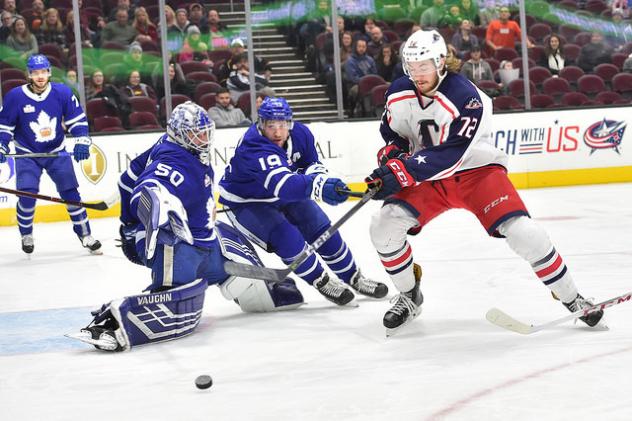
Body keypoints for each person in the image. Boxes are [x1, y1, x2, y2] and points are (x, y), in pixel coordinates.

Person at [363, 30, 604, 334]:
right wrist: (393, 156)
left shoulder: (468, 97)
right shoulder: (399, 91)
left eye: (423, 65)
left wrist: (401, 172)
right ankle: (410, 295)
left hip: (475, 172)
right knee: (382, 226)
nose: (416, 73)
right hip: (426, 178)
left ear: (440, 62)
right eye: (411, 66)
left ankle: (572, 297)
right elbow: (393, 133)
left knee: (525, 234)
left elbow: (453, 153)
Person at [68, 102, 304, 352]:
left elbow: (130, 176)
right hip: (178, 247)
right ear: (181, 133)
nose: (204, 137)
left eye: (205, 131)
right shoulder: (174, 160)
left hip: (204, 241)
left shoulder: (173, 145)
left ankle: (255, 285)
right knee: (173, 278)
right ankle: (114, 323)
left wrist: (123, 209)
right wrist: (155, 202)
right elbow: (149, 187)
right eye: (197, 133)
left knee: (243, 267)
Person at [219, 97, 388, 306]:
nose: (278, 133)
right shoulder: (253, 146)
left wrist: (322, 181)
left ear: (290, 123)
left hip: (281, 194)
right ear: (260, 124)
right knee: (288, 239)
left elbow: (312, 164)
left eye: (282, 125)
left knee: (321, 228)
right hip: (246, 202)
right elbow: (285, 186)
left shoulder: (301, 133)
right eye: (271, 126)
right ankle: (322, 281)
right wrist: (318, 187)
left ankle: (354, 277)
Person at [0, 54, 101, 255]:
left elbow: (77, 120)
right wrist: (1, 146)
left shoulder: (62, 92)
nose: (39, 76)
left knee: (71, 194)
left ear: (49, 72)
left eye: (43, 72)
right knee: (27, 196)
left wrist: (81, 140)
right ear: (28, 74)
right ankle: (26, 234)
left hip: (57, 153)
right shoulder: (15, 96)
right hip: (27, 154)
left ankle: (85, 235)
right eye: (35, 73)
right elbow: (5, 126)